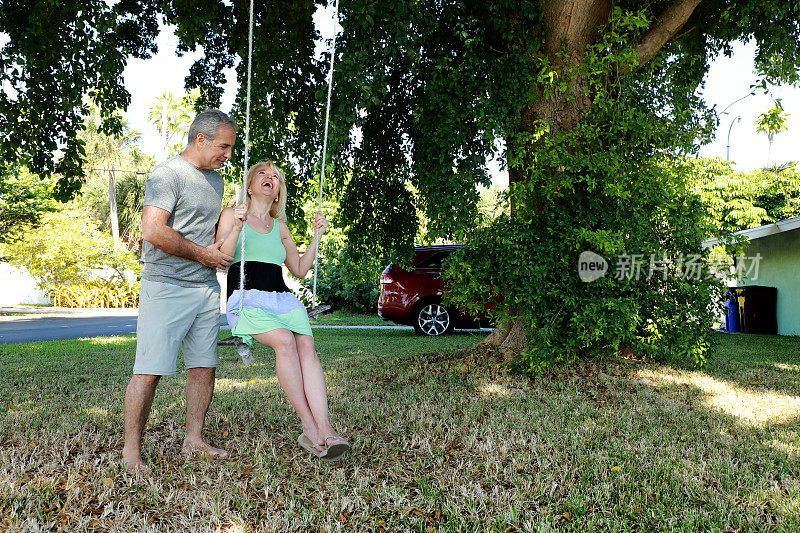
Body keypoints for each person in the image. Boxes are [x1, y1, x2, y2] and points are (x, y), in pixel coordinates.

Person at [122, 109, 237, 471]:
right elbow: (153, 230)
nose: (228, 155)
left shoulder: (216, 181)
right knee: (149, 370)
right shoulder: (167, 173)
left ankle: (194, 441)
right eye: (223, 146)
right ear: (200, 139)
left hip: (204, 287)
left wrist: (232, 232)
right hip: (166, 284)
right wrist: (202, 254)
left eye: (231, 148)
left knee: (204, 366)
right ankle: (130, 452)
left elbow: (214, 238)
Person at [216, 161, 350, 461]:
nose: (269, 178)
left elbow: (300, 269)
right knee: (285, 342)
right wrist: (237, 226)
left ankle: (326, 428)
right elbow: (222, 258)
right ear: (249, 186)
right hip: (246, 297)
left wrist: (316, 236)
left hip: (281, 298)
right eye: (262, 174)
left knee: (307, 346)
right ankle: (309, 426)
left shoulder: (280, 227)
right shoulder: (231, 214)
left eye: (275, 176)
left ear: (278, 193)